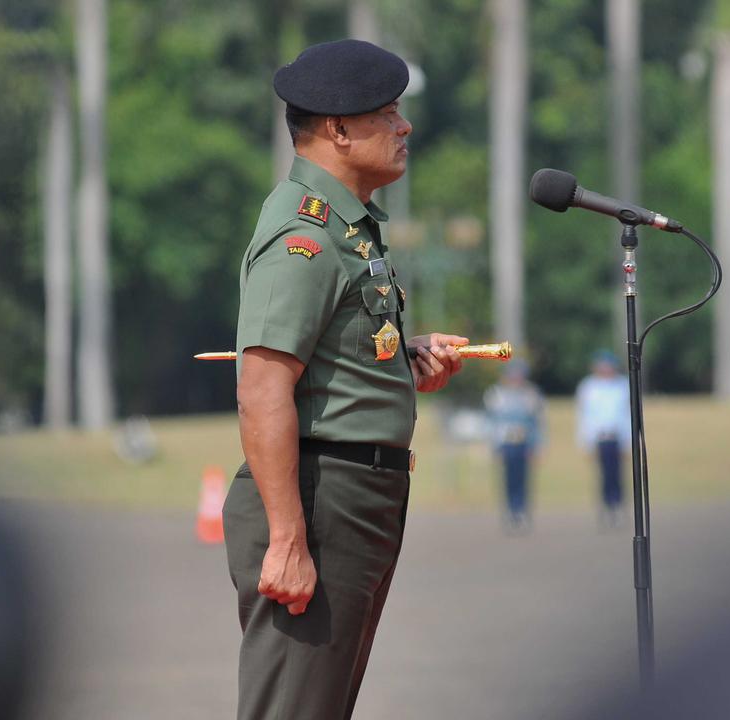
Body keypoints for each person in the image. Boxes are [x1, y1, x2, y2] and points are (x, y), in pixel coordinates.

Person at [222, 39, 468, 720]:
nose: (404, 126)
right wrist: (289, 539)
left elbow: (325, 359)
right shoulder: (303, 236)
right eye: (387, 113)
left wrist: (400, 361)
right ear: (336, 131)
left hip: (354, 499)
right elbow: (262, 386)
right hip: (319, 502)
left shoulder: (348, 231)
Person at [484, 359, 546, 531]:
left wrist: (537, 445)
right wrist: (494, 446)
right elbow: (492, 423)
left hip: (524, 442)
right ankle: (511, 511)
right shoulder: (497, 394)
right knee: (508, 480)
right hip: (506, 442)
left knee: (523, 479)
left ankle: (522, 510)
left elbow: (537, 423)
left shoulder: (531, 394)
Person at [575, 350, 631, 528]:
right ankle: (606, 507)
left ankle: (618, 505)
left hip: (617, 436)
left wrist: (628, 441)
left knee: (618, 474)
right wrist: (586, 441)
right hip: (599, 437)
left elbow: (627, 415)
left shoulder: (622, 385)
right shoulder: (588, 387)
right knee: (604, 475)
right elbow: (584, 416)